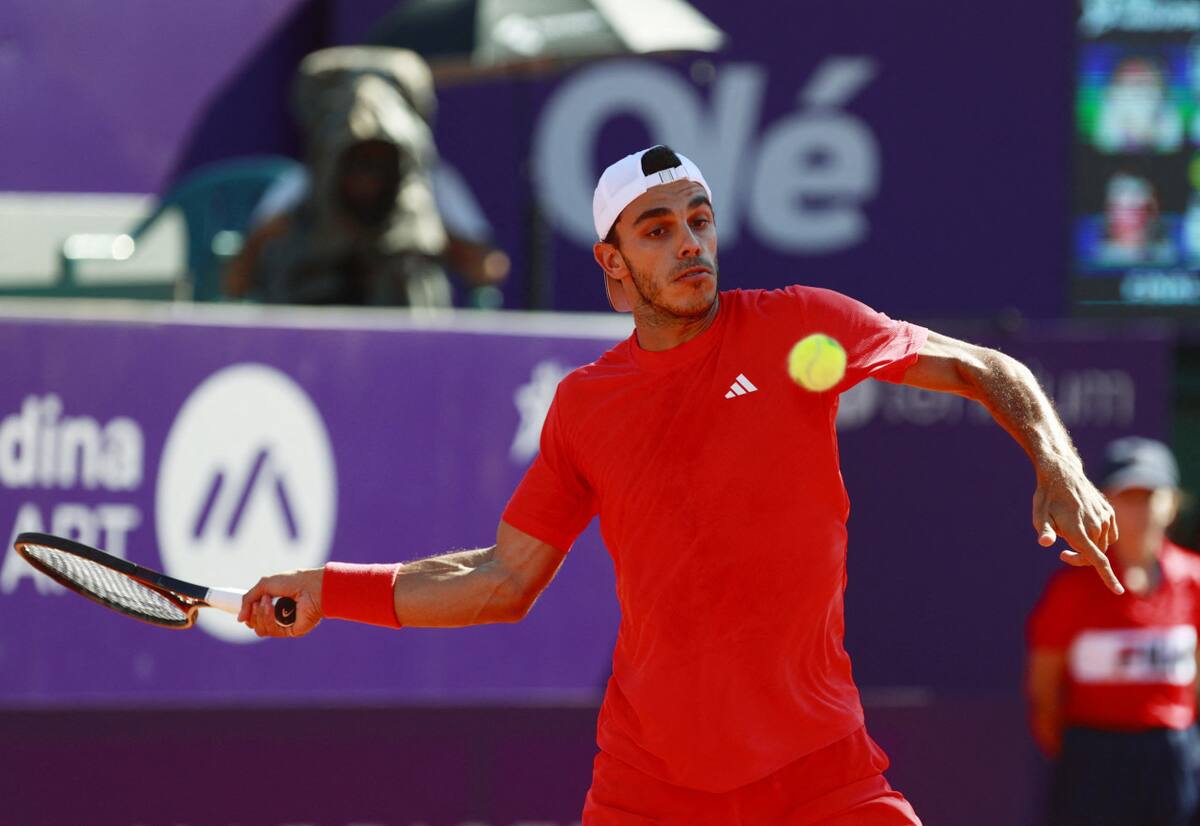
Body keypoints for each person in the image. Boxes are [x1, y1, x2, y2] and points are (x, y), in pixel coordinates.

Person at [240, 145, 1121, 824]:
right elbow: (503, 582)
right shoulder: (586, 407)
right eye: (657, 230)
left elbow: (977, 364)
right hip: (650, 788)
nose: (689, 242)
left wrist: (1059, 463)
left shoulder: (799, 326)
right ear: (613, 263)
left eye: (698, 219)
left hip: (822, 772)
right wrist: (326, 589)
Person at [223, 47, 508, 306]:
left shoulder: (435, 187)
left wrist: (434, 236)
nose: (368, 177)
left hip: (406, 341)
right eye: (357, 161)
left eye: (380, 161)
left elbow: (487, 269)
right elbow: (237, 280)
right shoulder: (299, 187)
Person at [1027, 437, 1200, 826]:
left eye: (1149, 497)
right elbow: (1045, 690)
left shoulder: (1194, 579)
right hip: (1093, 759)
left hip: (1173, 756)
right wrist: (1090, 751)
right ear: (1102, 503)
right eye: (1127, 496)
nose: (1139, 510)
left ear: (1171, 504)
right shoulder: (1071, 590)